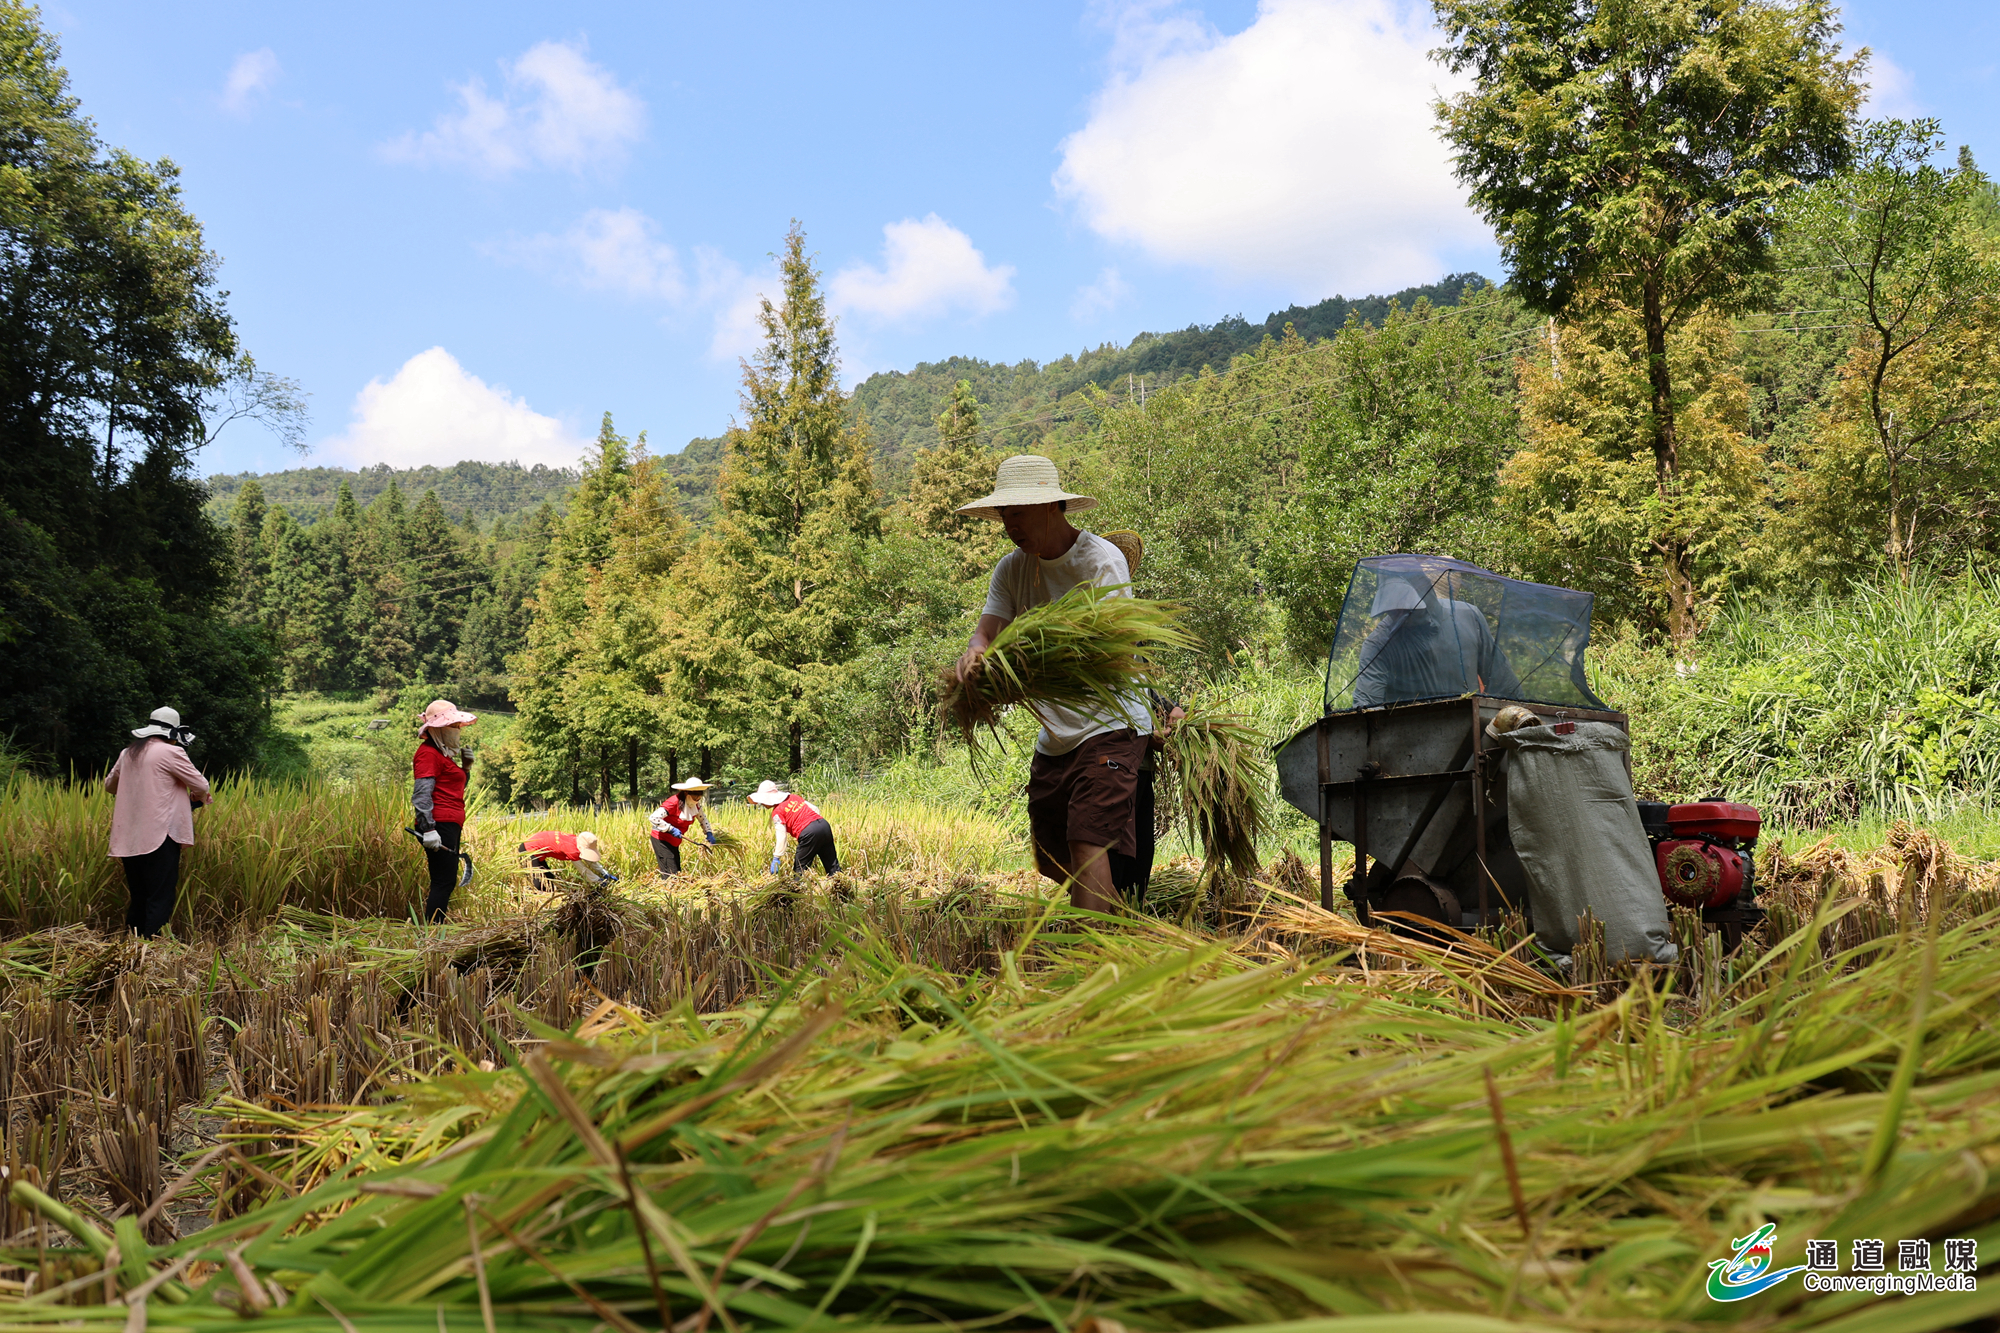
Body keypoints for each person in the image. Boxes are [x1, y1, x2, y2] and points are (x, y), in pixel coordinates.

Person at [953, 455, 1146, 913]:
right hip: (1056, 738)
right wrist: (975, 654)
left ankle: (1088, 964)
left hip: (1111, 724)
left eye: (1017, 513)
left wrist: (1029, 662)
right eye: (1004, 515)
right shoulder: (1011, 569)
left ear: (1051, 507)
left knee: (1086, 843)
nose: (1009, 526)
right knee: (1052, 852)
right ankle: (1119, 926)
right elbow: (987, 631)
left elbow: (1115, 650)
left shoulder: (1100, 561)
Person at [103, 706, 212, 938]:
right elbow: (202, 785)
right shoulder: (171, 753)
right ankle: (152, 949)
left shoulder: (128, 753)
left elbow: (109, 786)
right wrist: (196, 798)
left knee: (139, 895)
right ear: (172, 734)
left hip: (129, 837)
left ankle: (132, 948)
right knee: (160, 896)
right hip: (161, 835)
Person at [1353, 574, 1522, 707]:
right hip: (1412, 742)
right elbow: (1367, 710)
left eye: (1406, 610)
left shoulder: (1469, 616)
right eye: (1393, 610)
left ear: (1426, 598)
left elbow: (1506, 686)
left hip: (1475, 737)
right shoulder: (1379, 644)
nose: (1399, 616)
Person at [412, 699, 476, 923]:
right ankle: (432, 935)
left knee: (446, 881)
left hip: (449, 824)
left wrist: (465, 769)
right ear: (438, 728)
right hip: (438, 824)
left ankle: (434, 932)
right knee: (443, 881)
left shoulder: (443, 755)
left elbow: (453, 789)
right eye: (453, 726)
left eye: (458, 726)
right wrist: (429, 829)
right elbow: (422, 793)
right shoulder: (428, 754)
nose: (457, 731)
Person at [747, 780, 839, 876]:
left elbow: (781, 836)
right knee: (832, 865)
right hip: (824, 826)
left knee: (800, 870)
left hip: (809, 832)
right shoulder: (793, 797)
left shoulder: (777, 812)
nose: (762, 804)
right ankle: (840, 886)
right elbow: (815, 809)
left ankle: (797, 889)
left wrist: (776, 857)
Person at [649, 778, 716, 878]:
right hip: (662, 840)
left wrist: (709, 833)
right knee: (671, 874)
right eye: (695, 794)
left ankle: (673, 890)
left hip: (674, 841)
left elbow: (703, 819)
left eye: (700, 794)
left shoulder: (695, 805)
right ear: (686, 793)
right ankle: (668, 891)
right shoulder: (673, 802)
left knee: (677, 871)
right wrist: (670, 829)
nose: (698, 797)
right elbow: (653, 817)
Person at [520, 830, 608, 886]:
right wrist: (598, 881)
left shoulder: (574, 840)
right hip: (529, 850)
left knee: (550, 878)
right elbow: (583, 870)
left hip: (538, 849)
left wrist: (603, 872)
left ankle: (552, 895)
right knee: (538, 883)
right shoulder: (572, 850)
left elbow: (589, 860)